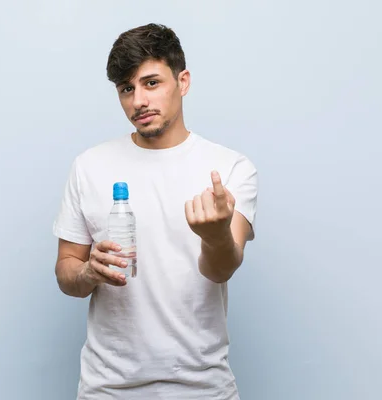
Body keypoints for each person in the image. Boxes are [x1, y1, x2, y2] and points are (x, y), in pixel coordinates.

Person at [53, 22, 258, 400]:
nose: (138, 102)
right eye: (126, 89)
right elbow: (66, 270)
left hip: (202, 388)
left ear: (183, 81)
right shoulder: (89, 165)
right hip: (108, 389)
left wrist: (214, 237)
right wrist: (86, 271)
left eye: (151, 83)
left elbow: (222, 268)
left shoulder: (230, 168)